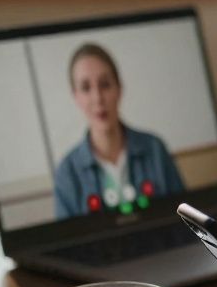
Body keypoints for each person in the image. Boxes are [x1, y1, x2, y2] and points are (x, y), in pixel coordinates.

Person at [53, 43, 185, 219]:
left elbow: (187, 224)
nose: (98, 98)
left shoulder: (155, 150)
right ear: (76, 97)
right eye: (86, 88)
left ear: (119, 88)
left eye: (105, 85)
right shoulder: (67, 173)